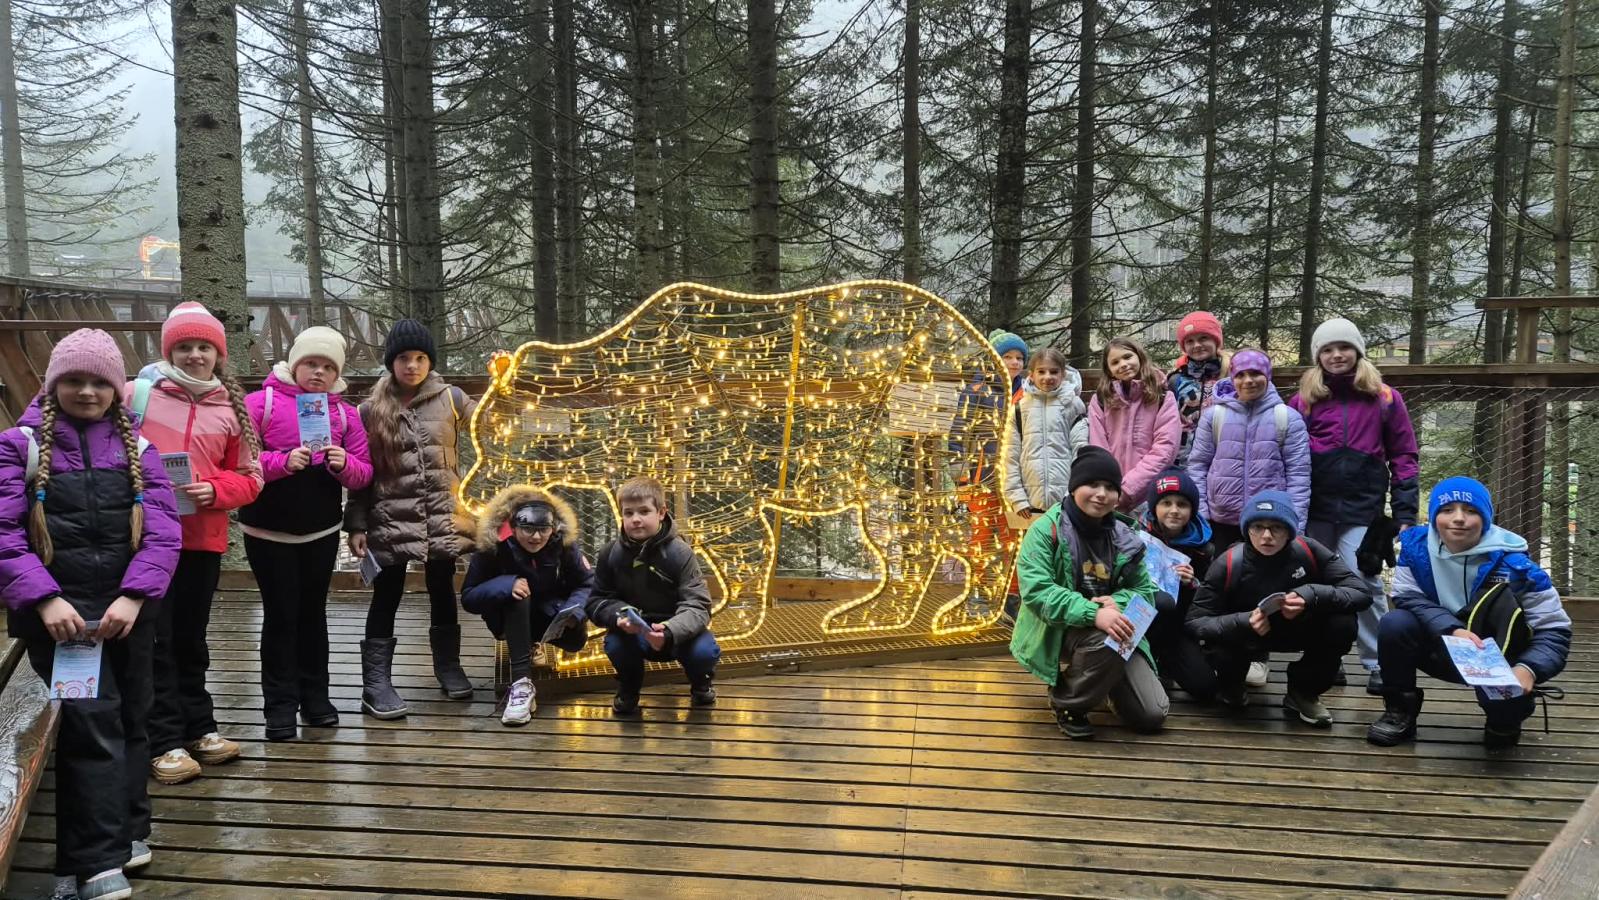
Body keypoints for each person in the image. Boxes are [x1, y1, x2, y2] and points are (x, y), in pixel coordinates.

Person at [0, 329, 181, 900]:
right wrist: (44, 598)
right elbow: (4, 533)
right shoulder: (19, 447)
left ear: (116, 389)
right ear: (53, 384)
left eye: (98, 382)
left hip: (128, 614)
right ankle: (93, 862)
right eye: (73, 380)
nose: (86, 392)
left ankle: (128, 830)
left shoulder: (139, 449)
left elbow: (164, 532)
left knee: (133, 718)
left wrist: (135, 595)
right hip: (64, 622)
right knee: (91, 727)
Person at [129, 303, 263, 786]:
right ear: (169, 351)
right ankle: (163, 739)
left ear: (218, 354)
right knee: (156, 639)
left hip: (202, 539)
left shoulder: (231, 408)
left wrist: (215, 489)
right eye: (183, 346)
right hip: (144, 540)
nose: (194, 355)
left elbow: (251, 476)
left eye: (204, 346)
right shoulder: (136, 396)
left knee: (190, 637)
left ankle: (199, 726)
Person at [1368, 478, 1573, 749]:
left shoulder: (1518, 567)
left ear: (1485, 518)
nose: (1458, 518)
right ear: (1434, 517)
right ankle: (1399, 710)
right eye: (1447, 510)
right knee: (1395, 623)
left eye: (1471, 511)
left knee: (1502, 728)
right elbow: (1407, 596)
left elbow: (1555, 630)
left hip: (1499, 658)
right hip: (1441, 646)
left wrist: (1528, 669)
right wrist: (1452, 629)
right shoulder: (1415, 549)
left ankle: (1504, 720)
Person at [241, 327, 373, 742]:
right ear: (294, 364)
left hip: (321, 530)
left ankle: (316, 699)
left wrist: (344, 463)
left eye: (328, 367)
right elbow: (240, 462)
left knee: (313, 615)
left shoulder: (344, 414)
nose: (318, 372)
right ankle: (279, 707)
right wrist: (281, 462)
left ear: (337, 374)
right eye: (311, 363)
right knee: (280, 615)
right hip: (266, 530)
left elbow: (364, 473)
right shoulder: (258, 403)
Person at [345, 320, 477, 718]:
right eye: (404, 358)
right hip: (390, 518)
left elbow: (492, 421)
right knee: (387, 594)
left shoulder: (452, 399)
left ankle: (449, 666)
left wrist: (505, 380)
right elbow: (362, 474)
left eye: (421, 358)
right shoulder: (369, 411)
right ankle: (376, 684)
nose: (413, 365)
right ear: (391, 362)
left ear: (430, 361)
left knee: (442, 588)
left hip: (441, 514)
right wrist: (356, 524)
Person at [1288, 318, 1419, 695]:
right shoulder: (1304, 400)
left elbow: (1404, 455)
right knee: (1315, 582)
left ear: (1358, 351)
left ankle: (1379, 662)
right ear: (1318, 356)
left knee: (1364, 580)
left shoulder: (1385, 398)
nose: (1336, 355)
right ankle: (1327, 657)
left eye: (1344, 347)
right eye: (1327, 349)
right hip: (1314, 506)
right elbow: (1288, 455)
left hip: (1362, 508)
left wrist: (1405, 512)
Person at [1010, 446, 1169, 740]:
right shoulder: (1045, 531)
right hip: (1057, 628)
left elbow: (1144, 592)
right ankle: (1068, 702)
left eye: (1110, 487)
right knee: (1108, 638)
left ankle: (1101, 680)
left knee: (1151, 714)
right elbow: (1037, 591)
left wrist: (1117, 602)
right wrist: (1095, 614)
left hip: (1112, 625)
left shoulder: (1125, 537)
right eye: (1092, 484)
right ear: (1074, 487)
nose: (1101, 494)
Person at [1186, 490, 1371, 726]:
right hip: (1248, 636)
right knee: (1218, 639)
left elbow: (1360, 592)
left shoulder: (1309, 551)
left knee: (1343, 623)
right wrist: (1243, 621)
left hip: (1299, 627)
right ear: (1247, 530)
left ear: (1290, 531)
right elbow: (1196, 621)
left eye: (1277, 528)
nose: (1266, 536)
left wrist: (1310, 595)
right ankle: (1232, 685)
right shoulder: (1229, 562)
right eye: (1258, 527)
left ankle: (1303, 692)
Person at [461, 485, 594, 726]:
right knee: (518, 592)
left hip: (549, 614)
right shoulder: (492, 546)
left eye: (543, 529)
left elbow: (587, 583)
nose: (536, 537)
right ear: (512, 526)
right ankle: (521, 684)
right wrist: (506, 584)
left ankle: (532, 642)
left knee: (576, 640)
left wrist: (574, 611)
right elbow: (469, 597)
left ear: (553, 527)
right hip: (507, 617)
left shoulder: (563, 544)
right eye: (528, 529)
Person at [586, 476, 718, 715]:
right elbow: (596, 600)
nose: (635, 519)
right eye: (628, 513)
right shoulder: (611, 554)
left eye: (644, 511)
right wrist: (618, 616)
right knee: (615, 644)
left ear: (661, 512)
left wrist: (669, 630)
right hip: (634, 631)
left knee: (704, 651)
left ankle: (701, 683)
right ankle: (628, 687)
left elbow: (698, 605)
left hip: (677, 630)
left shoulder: (680, 553)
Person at [1138, 469, 1218, 702]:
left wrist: (1193, 583)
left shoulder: (1204, 549)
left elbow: (1209, 601)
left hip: (1178, 629)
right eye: (1166, 503)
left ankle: (1167, 661)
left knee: (1205, 688)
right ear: (1154, 507)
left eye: (1182, 504)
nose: (1174, 510)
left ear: (1192, 510)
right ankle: (1147, 661)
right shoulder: (1136, 537)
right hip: (1142, 625)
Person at [1089, 336, 1181, 513]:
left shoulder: (1162, 397)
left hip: (1149, 492)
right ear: (1109, 370)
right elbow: (1098, 446)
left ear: (1139, 357)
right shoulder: (1101, 400)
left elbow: (1165, 448)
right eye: (1115, 362)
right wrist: (1110, 487)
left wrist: (1128, 488)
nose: (1123, 364)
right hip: (1110, 493)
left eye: (1127, 357)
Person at [1004, 347, 1089, 527]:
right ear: (1031, 375)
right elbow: (1010, 456)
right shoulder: (1020, 409)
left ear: (1063, 374)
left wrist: (1074, 493)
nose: (1047, 377)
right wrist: (1017, 497)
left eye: (1054, 371)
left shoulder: (1072, 405)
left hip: (1067, 502)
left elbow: (1081, 452)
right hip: (1030, 503)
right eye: (1041, 371)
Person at [1167, 311, 1228, 467]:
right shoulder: (1176, 380)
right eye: (1190, 341)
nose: (1197, 345)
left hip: (1222, 459)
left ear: (1216, 340)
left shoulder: (1231, 376)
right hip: (1184, 460)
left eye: (1203, 338)